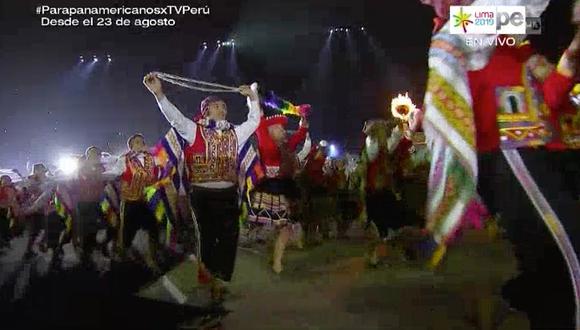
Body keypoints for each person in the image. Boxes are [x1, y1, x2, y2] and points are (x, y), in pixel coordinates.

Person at [421, 0, 580, 328]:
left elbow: (551, 97)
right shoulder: (462, 28)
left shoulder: (510, 39)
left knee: (549, 267)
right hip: (513, 155)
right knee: (568, 253)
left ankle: (522, 297)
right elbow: (528, 10)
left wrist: (570, 56)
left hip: (541, 153)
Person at [143, 72, 261, 299]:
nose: (223, 109)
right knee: (208, 236)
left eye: (224, 106)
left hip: (228, 193)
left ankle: (219, 277)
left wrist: (252, 99)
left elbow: (254, 122)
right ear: (206, 110)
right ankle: (211, 279)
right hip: (202, 194)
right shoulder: (194, 130)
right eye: (217, 106)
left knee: (230, 236)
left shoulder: (236, 133)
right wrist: (159, 94)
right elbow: (175, 117)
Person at [249, 112, 308, 273]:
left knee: (282, 228)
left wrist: (303, 119)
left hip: (283, 190)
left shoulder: (286, 146)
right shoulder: (266, 143)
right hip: (270, 190)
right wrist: (254, 99)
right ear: (270, 130)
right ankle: (275, 259)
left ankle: (276, 260)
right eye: (280, 128)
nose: (283, 131)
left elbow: (299, 135)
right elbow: (260, 125)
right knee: (280, 229)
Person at [104, 134, 161, 272]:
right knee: (126, 235)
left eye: (142, 142)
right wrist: (97, 176)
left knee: (154, 227)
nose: (140, 144)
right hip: (129, 203)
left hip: (142, 201)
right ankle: (119, 259)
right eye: (137, 142)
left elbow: (164, 162)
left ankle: (152, 258)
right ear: (130, 146)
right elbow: (113, 173)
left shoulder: (150, 159)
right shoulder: (124, 159)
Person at [356, 119, 404, 266]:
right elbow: (378, 147)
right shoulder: (371, 144)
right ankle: (375, 257)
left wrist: (399, 125)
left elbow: (394, 141)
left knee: (386, 227)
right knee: (379, 227)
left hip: (382, 190)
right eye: (382, 130)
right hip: (374, 191)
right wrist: (388, 128)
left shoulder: (381, 145)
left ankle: (376, 256)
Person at [74, 146, 107, 267]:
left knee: (103, 227)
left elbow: (105, 179)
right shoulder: (82, 167)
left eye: (98, 155)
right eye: (93, 155)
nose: (96, 157)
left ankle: (95, 249)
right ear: (88, 155)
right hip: (84, 203)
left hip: (97, 202)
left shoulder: (101, 167)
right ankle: (85, 257)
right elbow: (84, 178)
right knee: (87, 230)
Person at [0, 175, 19, 248]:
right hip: (3, 210)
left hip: (9, 210)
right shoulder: (1, 189)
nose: (6, 182)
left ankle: (5, 242)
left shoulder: (12, 190)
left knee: (7, 226)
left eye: (8, 180)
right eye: (4, 180)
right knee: (3, 227)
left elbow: (14, 200)